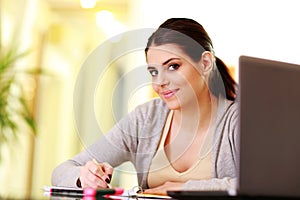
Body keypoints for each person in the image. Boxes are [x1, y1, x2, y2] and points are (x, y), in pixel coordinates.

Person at [51, 18, 238, 195]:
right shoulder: (146, 118)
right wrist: (84, 177)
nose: (160, 83)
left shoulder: (237, 121)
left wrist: (184, 189)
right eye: (154, 72)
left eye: (173, 66)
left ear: (205, 63)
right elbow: (62, 171)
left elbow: (264, 184)